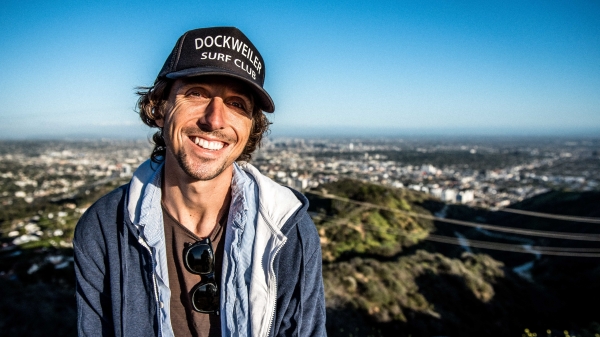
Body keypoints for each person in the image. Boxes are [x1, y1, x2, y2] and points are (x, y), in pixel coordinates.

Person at [73, 27, 326, 337]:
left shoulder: (287, 231)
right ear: (160, 108)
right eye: (197, 93)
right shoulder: (104, 228)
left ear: (251, 128)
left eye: (236, 104)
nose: (214, 119)